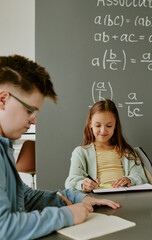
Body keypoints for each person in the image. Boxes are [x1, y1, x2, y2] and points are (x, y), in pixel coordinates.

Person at [0, 55, 120, 239]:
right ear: (3, 99)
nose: (34, 121)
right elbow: (4, 228)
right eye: (29, 111)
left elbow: (25, 198)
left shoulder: (5, 145)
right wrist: (68, 215)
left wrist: (76, 198)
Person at [65, 99, 148, 192]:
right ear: (90, 124)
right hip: (97, 200)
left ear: (115, 125)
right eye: (97, 125)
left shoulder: (126, 151)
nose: (103, 131)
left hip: (126, 197)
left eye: (109, 126)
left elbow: (141, 177)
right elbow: (70, 181)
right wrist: (82, 184)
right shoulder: (81, 152)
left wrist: (129, 180)